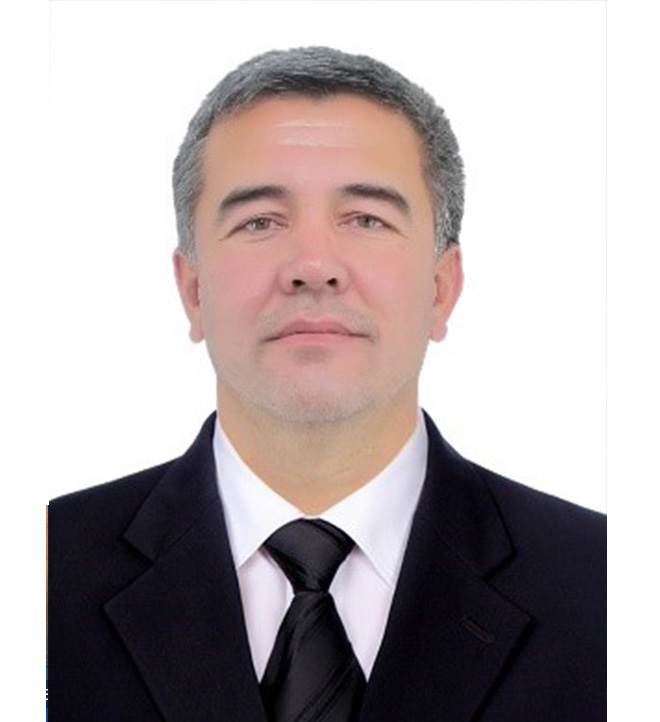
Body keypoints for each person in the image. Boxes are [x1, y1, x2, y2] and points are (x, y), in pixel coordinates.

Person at [48, 46, 605, 721]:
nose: (313, 266)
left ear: (441, 288)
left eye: (366, 219)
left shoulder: (600, 585)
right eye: (260, 221)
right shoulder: (47, 570)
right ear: (192, 290)